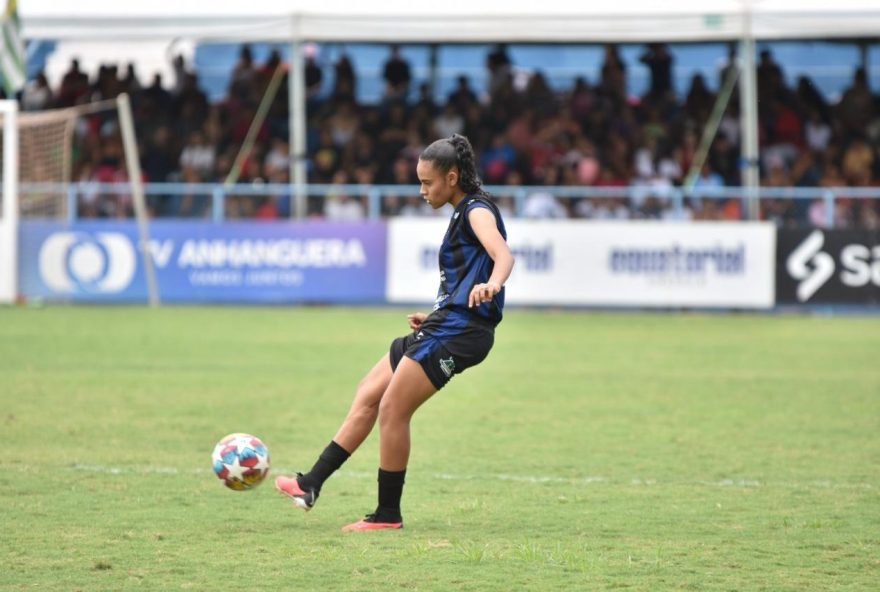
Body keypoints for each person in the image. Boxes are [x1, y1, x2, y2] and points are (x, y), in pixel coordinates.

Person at [275, 133, 515, 531]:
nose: (422, 190)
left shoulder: (476, 210)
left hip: (463, 331)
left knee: (392, 409)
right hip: (447, 322)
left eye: (427, 182)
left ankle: (388, 515)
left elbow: (502, 255)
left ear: (452, 177)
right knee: (369, 391)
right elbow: (466, 273)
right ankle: (309, 484)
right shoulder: (461, 210)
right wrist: (439, 309)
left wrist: (493, 283)